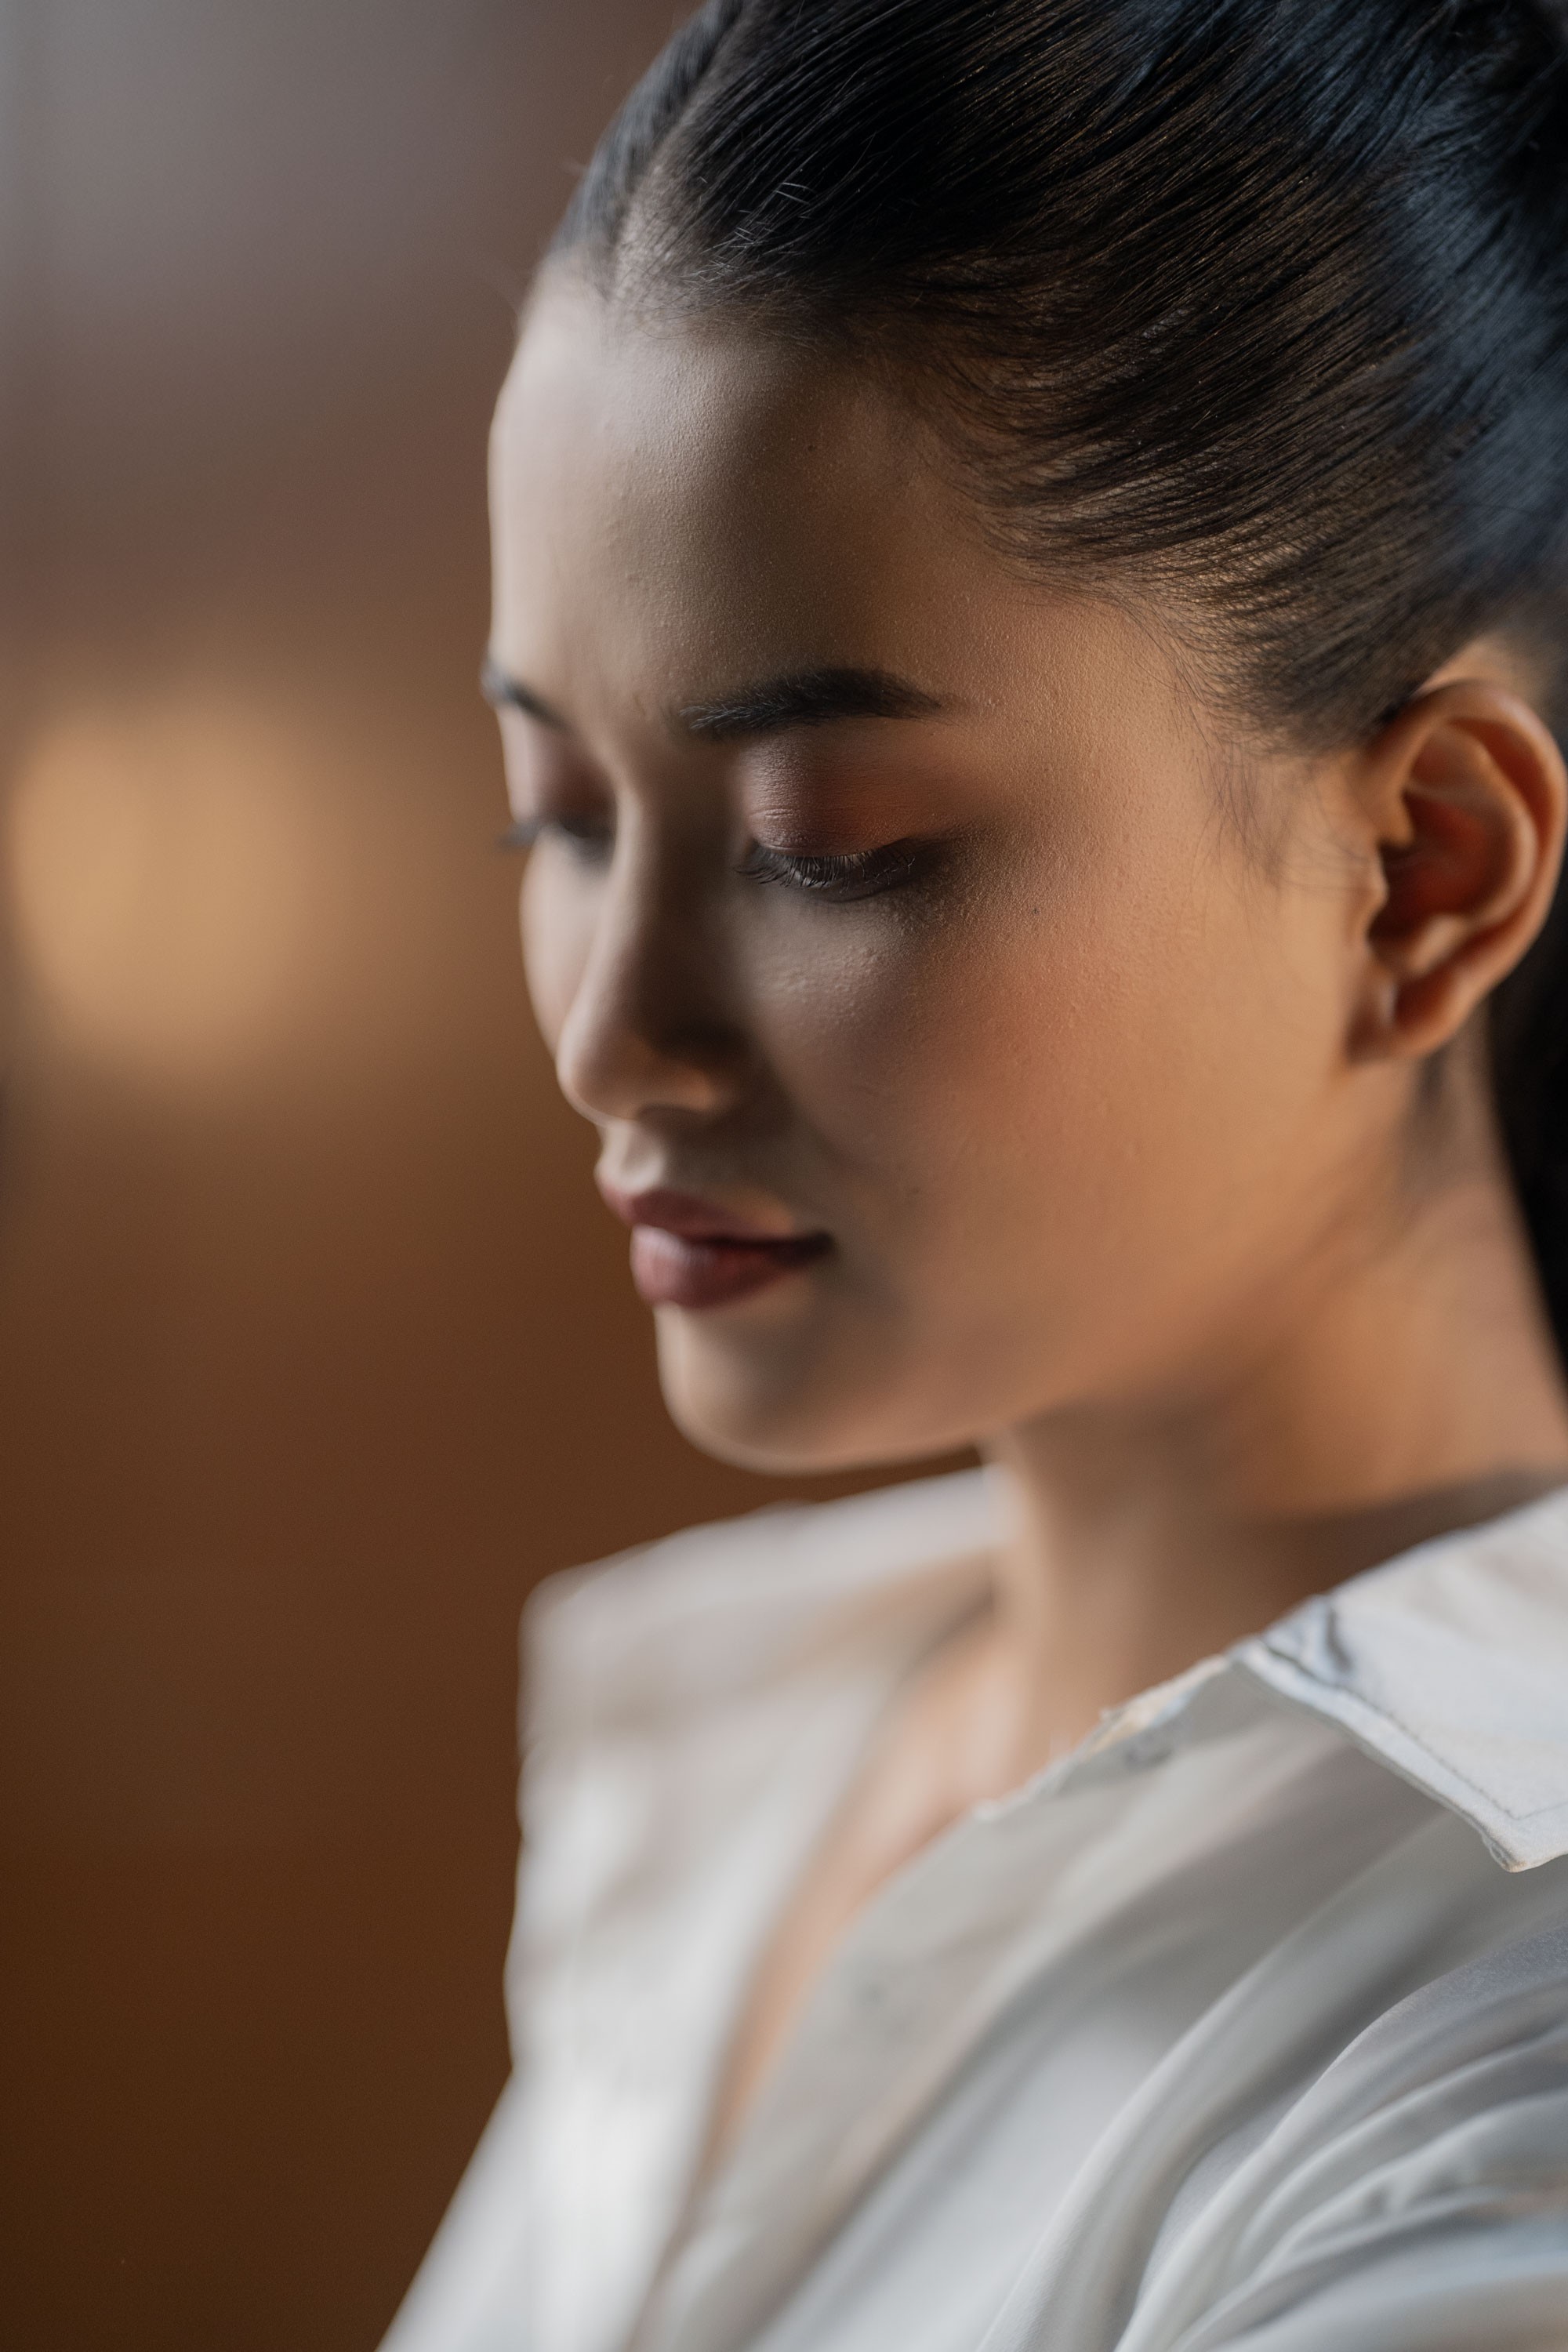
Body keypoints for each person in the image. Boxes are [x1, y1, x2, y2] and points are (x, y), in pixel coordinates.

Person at [383, 2, 1568, 2346]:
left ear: (1420, 873)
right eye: (561, 814)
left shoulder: (1492, 2076)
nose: (612, 1032)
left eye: (831, 852)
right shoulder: (773, 1741)